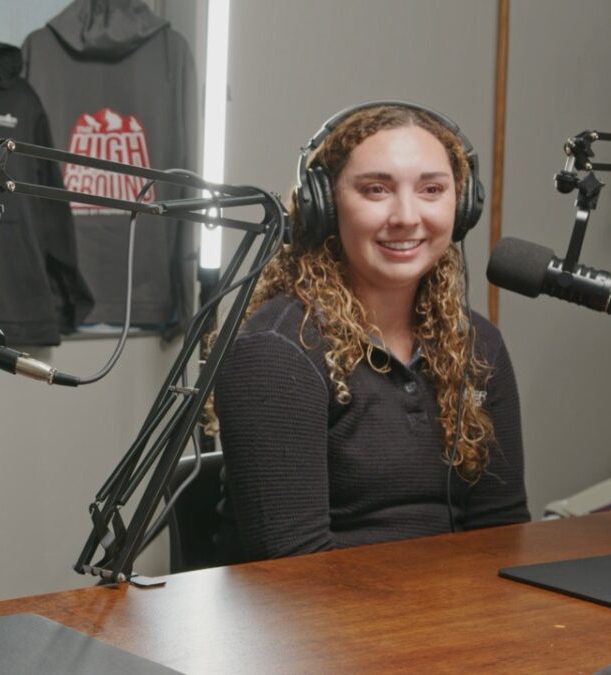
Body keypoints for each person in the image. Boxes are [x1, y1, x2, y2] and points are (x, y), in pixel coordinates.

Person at [213, 102, 528, 563]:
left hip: (461, 604)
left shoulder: (478, 344)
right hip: (321, 606)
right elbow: (294, 571)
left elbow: (502, 533)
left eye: (432, 189)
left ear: (463, 207)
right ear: (324, 205)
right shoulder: (277, 350)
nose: (406, 216)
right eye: (376, 189)